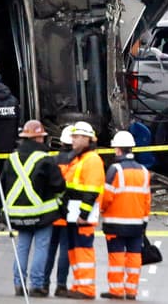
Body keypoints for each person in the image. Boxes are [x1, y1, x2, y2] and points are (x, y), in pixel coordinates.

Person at [4, 119, 66, 298]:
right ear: (39, 138)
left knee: (22, 247)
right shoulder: (45, 159)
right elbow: (58, 185)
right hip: (41, 214)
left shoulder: (12, 157)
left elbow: (2, 183)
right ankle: (36, 285)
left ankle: (19, 283)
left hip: (17, 213)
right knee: (41, 248)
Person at [99, 131, 151, 300]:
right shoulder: (144, 171)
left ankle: (116, 290)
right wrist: (144, 222)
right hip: (136, 223)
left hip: (115, 222)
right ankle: (131, 291)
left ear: (118, 150)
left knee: (116, 257)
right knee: (135, 256)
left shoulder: (115, 170)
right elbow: (147, 200)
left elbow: (106, 197)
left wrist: (100, 210)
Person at [62, 121, 106, 299]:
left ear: (87, 139)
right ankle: (79, 285)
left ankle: (86, 288)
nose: (72, 140)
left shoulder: (92, 160)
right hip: (74, 213)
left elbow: (92, 190)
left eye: (76, 136)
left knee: (83, 250)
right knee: (75, 250)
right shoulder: (80, 158)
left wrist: (83, 215)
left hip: (81, 215)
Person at [48, 125, 77, 297]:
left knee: (49, 249)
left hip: (53, 211)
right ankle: (61, 285)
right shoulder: (77, 162)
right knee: (66, 249)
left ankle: (43, 283)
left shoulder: (52, 161)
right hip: (70, 211)